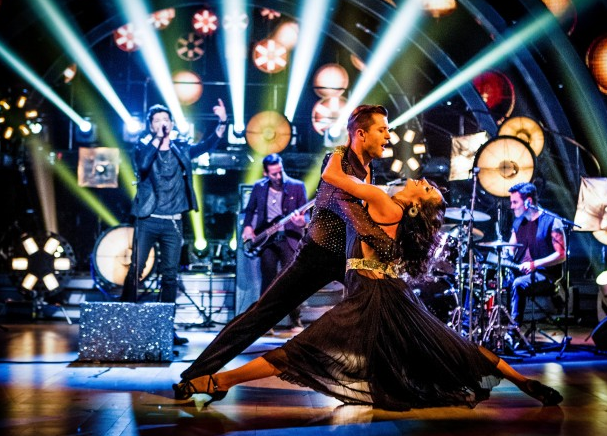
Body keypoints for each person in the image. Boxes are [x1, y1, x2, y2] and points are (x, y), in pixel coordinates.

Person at [173, 148, 563, 410]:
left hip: (370, 295)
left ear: (415, 204)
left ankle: (218, 382)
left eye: (425, 188)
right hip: (396, 293)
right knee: (454, 347)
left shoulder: (384, 202)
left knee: (302, 349)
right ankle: (523, 381)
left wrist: (339, 152)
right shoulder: (395, 211)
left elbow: (334, 179)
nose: (420, 180)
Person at [176, 104, 395, 383]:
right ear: (361, 134)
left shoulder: (369, 168)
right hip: (316, 257)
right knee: (262, 314)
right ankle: (195, 374)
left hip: (345, 257)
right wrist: (386, 244)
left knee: (384, 300)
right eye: (382, 129)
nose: (388, 136)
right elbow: (350, 209)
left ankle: (389, 373)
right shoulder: (338, 159)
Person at [121, 100, 228, 346]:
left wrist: (222, 121)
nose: (162, 123)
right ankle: (123, 322)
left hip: (173, 223)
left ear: (171, 123)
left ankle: (165, 329)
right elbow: (143, 165)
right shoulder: (142, 147)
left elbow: (208, 145)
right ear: (151, 126)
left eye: (165, 120)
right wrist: (158, 140)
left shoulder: (182, 149)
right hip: (148, 219)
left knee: (169, 276)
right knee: (136, 269)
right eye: (157, 121)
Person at [241, 153, 308, 332]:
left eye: (280, 172)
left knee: (291, 279)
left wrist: (302, 222)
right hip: (267, 240)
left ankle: (295, 320)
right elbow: (250, 210)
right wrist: (247, 227)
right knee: (268, 281)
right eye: (274, 174)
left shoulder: (296, 186)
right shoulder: (259, 187)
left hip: (289, 239)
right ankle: (265, 322)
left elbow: (306, 215)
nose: (278, 177)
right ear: (266, 173)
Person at [505, 182, 566, 328]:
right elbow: (510, 247)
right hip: (521, 271)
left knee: (518, 284)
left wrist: (534, 264)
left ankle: (513, 331)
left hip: (545, 274)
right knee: (485, 278)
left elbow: (561, 254)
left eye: (515, 202)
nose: (512, 206)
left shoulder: (552, 221)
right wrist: (506, 254)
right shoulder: (518, 223)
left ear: (528, 201)